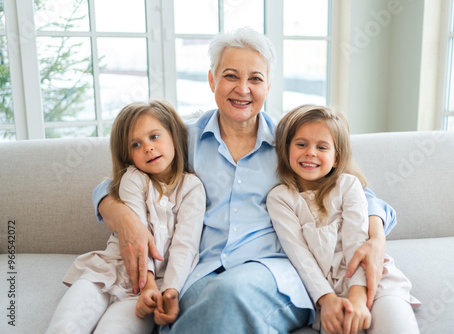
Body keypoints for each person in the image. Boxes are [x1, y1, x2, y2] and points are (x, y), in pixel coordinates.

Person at [92, 27, 397, 333]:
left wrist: (376, 239)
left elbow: (357, 193)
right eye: (230, 76)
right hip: (201, 275)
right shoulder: (184, 140)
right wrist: (127, 221)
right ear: (212, 80)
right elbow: (112, 186)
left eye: (255, 79)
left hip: (272, 275)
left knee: (227, 295)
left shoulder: (291, 145)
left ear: (268, 86)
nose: (243, 89)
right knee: (210, 302)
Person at [46, 99, 205, 333]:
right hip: (106, 272)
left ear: (173, 135)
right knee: (65, 327)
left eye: (154, 136)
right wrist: (147, 283)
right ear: (128, 155)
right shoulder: (133, 178)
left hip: (149, 291)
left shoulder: (192, 188)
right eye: (136, 144)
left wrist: (169, 291)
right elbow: (137, 233)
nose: (148, 148)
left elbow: (186, 246)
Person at [267, 104, 421, 334]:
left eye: (322, 147)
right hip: (326, 294)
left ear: (336, 158)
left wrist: (358, 297)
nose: (310, 152)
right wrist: (327, 299)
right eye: (301, 144)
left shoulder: (348, 185)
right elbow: (299, 256)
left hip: (370, 280)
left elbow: (356, 242)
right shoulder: (280, 199)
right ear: (286, 149)